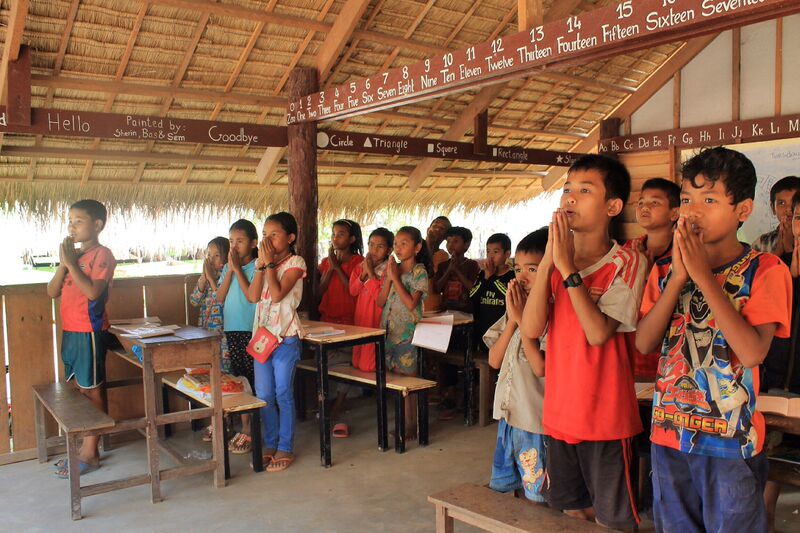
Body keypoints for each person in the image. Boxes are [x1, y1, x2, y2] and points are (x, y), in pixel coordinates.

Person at [636, 147, 792, 533]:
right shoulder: (664, 271)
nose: (693, 211)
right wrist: (677, 278)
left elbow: (753, 351)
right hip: (669, 434)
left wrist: (703, 276)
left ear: (742, 210)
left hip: (730, 444)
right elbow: (644, 343)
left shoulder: (766, 270)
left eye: (709, 200)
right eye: (687, 199)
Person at [521, 154, 648, 530]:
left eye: (584, 190)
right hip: (560, 416)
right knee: (572, 510)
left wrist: (568, 270)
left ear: (613, 206)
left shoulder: (627, 262)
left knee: (613, 519)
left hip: (606, 420)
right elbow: (530, 327)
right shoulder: (557, 259)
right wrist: (549, 262)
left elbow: (598, 333)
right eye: (567, 190)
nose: (570, 198)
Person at [47, 199, 116, 479]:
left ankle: (90, 451)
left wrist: (71, 264)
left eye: (78, 221)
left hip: (89, 331)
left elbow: (92, 293)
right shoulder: (73, 259)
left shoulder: (103, 255)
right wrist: (66, 264)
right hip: (71, 331)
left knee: (93, 389)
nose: (71, 226)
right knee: (77, 389)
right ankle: (86, 445)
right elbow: (52, 291)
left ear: (96, 225)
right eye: (70, 221)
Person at [486, 228, 547, 503]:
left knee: (538, 493)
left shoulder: (550, 312)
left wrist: (522, 319)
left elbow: (540, 368)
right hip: (509, 416)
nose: (521, 277)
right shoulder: (515, 307)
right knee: (511, 488)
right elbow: (494, 360)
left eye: (532, 270)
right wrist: (512, 319)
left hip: (534, 419)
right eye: (518, 269)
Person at [247, 212, 306, 472]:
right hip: (262, 339)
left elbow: (280, 294)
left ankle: (285, 446)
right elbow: (252, 296)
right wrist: (261, 266)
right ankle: (269, 443)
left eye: (274, 234)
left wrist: (269, 265)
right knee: (264, 395)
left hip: (285, 338)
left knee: (283, 393)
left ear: (290, 237)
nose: (267, 240)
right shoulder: (263, 263)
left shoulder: (296, 262)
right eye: (264, 235)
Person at [624, 178, 680, 381]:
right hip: (629, 361)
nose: (644, 207)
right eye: (640, 202)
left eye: (654, 203)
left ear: (675, 213)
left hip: (668, 365)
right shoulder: (627, 252)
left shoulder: (682, 256)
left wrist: (647, 276)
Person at [377, 226, 430, 438]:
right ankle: (402, 422)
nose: (398, 248)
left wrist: (396, 279)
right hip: (389, 333)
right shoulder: (393, 270)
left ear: (417, 247)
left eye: (404, 243)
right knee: (396, 380)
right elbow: (380, 302)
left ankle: (411, 426)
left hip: (408, 335)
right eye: (396, 244)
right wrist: (390, 278)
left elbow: (411, 304)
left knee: (409, 381)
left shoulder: (419, 272)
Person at [216, 219, 258, 455]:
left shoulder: (257, 266)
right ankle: (245, 425)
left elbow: (252, 295)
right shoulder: (227, 268)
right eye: (231, 241)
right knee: (239, 378)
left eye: (240, 241)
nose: (234, 246)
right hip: (231, 330)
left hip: (250, 329)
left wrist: (238, 270)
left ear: (253, 243)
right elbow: (220, 297)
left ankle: (250, 428)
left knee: (250, 379)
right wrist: (230, 270)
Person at [189, 236, 232, 442]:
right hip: (207, 336)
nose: (212, 259)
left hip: (223, 336)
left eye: (216, 255)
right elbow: (194, 300)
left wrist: (212, 279)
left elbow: (221, 299)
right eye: (209, 255)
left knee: (225, 377)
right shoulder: (206, 278)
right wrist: (203, 279)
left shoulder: (227, 276)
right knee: (210, 378)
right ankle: (216, 421)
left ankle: (225, 422)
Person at [349, 228, 394, 372]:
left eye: (380, 246)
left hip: (376, 323)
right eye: (371, 245)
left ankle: (379, 391)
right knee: (356, 362)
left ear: (389, 250)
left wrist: (370, 274)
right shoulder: (360, 267)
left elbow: (380, 298)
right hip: (360, 322)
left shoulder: (389, 271)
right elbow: (353, 291)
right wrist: (363, 275)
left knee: (367, 366)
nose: (374, 250)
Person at [471, 233, 515, 352]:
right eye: (488, 251)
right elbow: (472, 296)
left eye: (496, 252)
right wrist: (486, 278)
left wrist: (492, 278)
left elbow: (509, 295)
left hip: (503, 329)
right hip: (483, 327)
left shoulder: (513, 275)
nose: (491, 256)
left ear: (507, 254)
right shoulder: (483, 274)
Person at [319, 219, 363, 324]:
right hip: (327, 317)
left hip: (349, 319)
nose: (335, 238)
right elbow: (320, 291)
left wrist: (337, 268)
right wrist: (331, 268)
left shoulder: (359, 262)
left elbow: (353, 291)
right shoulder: (326, 261)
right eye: (333, 234)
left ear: (352, 239)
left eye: (340, 235)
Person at [433, 226, 481, 313]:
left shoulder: (472, 265)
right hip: (446, 311)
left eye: (455, 241)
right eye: (448, 241)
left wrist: (456, 271)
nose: (450, 245)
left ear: (466, 245)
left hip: (466, 312)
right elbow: (436, 289)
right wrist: (449, 270)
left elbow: (473, 288)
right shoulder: (443, 265)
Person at [752, 175, 800, 255]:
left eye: (793, 202)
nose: (788, 209)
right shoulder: (763, 242)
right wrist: (779, 247)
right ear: (773, 208)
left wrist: (789, 247)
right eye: (781, 203)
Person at [424, 216, 451, 312]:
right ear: (428, 229)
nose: (437, 229)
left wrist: (431, 246)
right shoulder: (415, 248)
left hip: (432, 307)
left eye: (442, 228)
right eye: (435, 225)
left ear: (445, 237)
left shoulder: (443, 256)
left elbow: (435, 282)